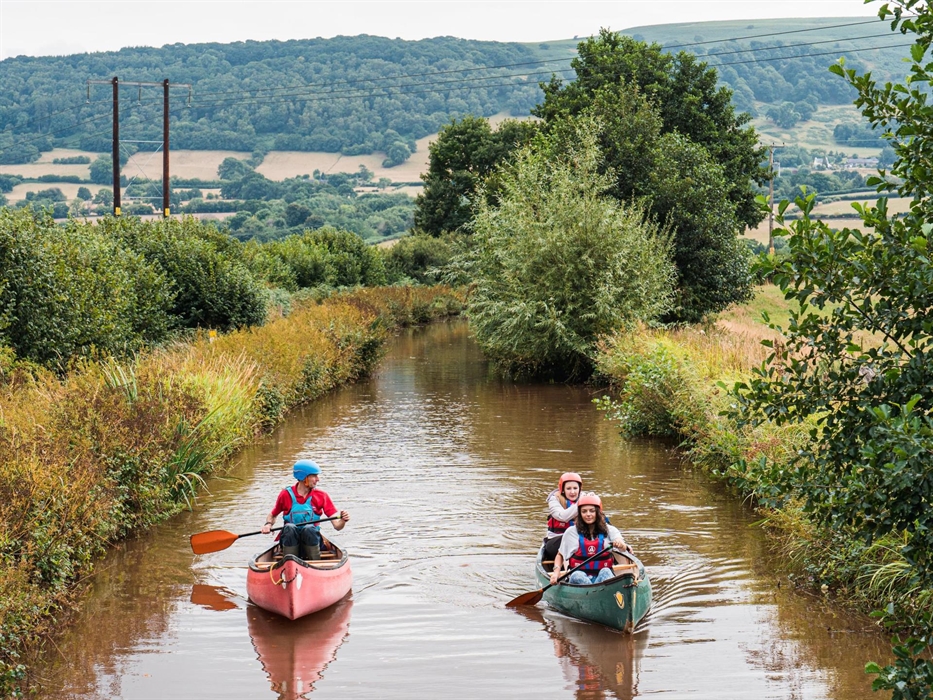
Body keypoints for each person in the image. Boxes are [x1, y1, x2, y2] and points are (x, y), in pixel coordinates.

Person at [261, 459, 349, 560]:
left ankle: (315, 562)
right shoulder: (285, 494)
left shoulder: (321, 496)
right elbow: (272, 515)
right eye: (314, 476)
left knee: (309, 529)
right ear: (304, 477)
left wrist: (343, 520)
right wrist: (268, 524)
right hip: (290, 541)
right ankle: (289, 561)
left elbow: (337, 526)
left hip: (312, 541)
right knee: (289, 527)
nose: (318, 479)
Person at [549, 494, 630, 586]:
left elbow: (623, 547)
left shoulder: (610, 530)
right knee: (577, 575)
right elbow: (560, 555)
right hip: (579, 579)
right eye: (584, 511)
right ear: (579, 514)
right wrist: (556, 574)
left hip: (602, 578)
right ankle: (594, 591)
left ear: (598, 512)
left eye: (592, 511)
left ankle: (595, 590)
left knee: (606, 571)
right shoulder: (571, 532)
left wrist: (620, 544)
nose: (588, 514)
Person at [544, 472, 583, 561]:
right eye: (568, 488)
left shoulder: (585, 497)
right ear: (562, 489)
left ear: (580, 489)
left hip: (579, 537)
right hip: (556, 540)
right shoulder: (554, 500)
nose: (572, 492)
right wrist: (581, 504)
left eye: (575, 488)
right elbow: (563, 517)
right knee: (572, 543)